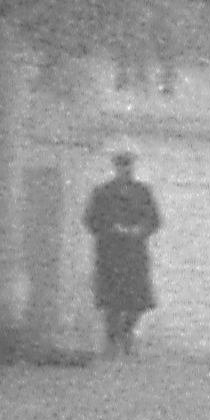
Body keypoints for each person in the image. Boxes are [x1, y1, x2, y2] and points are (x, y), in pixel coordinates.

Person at [82, 149, 163, 358]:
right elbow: (90, 220)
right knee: (111, 301)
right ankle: (111, 341)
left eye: (128, 165)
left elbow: (154, 220)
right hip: (110, 253)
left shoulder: (143, 192)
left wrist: (139, 230)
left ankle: (126, 332)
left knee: (138, 300)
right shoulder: (102, 192)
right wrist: (111, 229)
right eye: (121, 166)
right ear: (115, 168)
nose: (124, 170)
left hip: (135, 253)